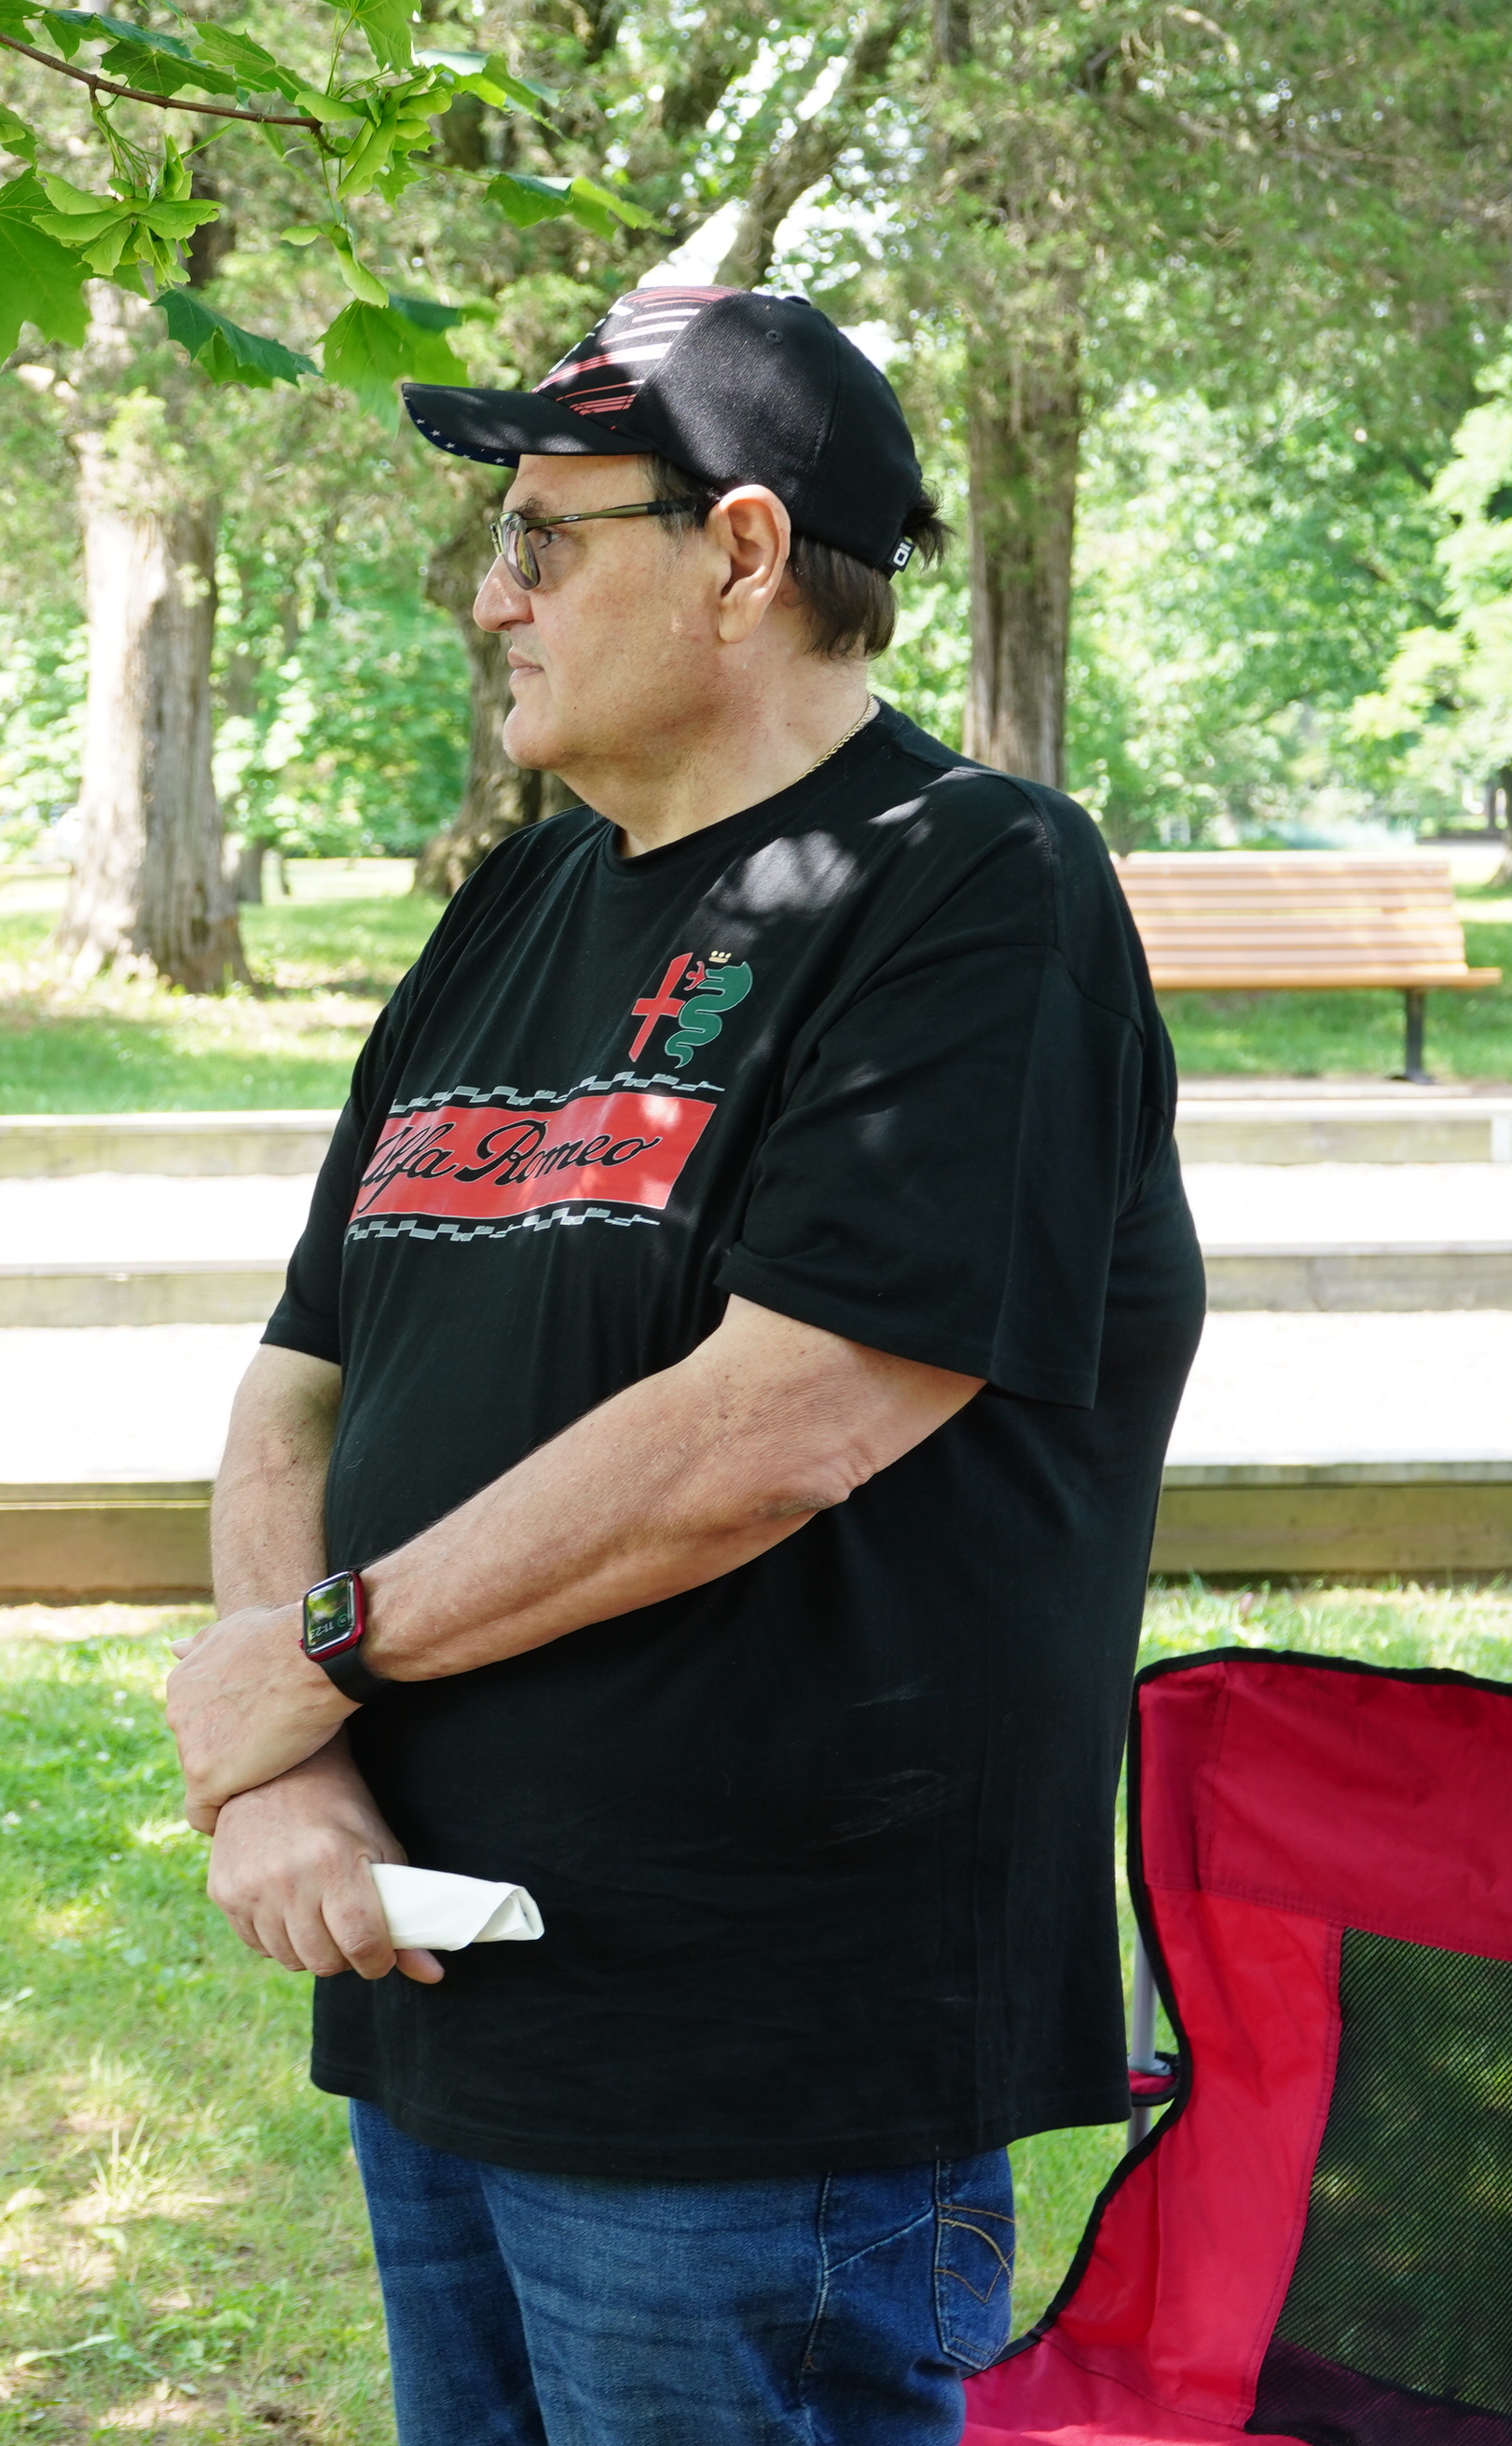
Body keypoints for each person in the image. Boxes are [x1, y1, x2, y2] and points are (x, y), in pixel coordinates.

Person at [161, 285, 1205, 2446]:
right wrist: (287, 1765)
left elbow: (785, 1420)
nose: (493, 598)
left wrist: (319, 1655)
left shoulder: (973, 890)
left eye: (543, 539)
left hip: (756, 2061)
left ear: (741, 554)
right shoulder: (514, 905)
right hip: (433, 1977)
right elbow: (300, 1382)